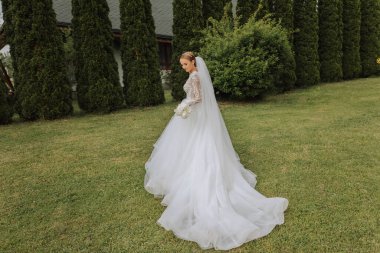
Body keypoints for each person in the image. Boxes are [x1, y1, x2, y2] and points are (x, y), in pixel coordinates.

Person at [144, 52, 288, 250]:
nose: (183, 67)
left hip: (195, 115)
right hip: (196, 118)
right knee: (191, 147)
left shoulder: (195, 76)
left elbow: (198, 98)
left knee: (198, 148)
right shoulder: (194, 75)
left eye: (185, 64)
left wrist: (184, 106)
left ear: (193, 62)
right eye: (182, 65)